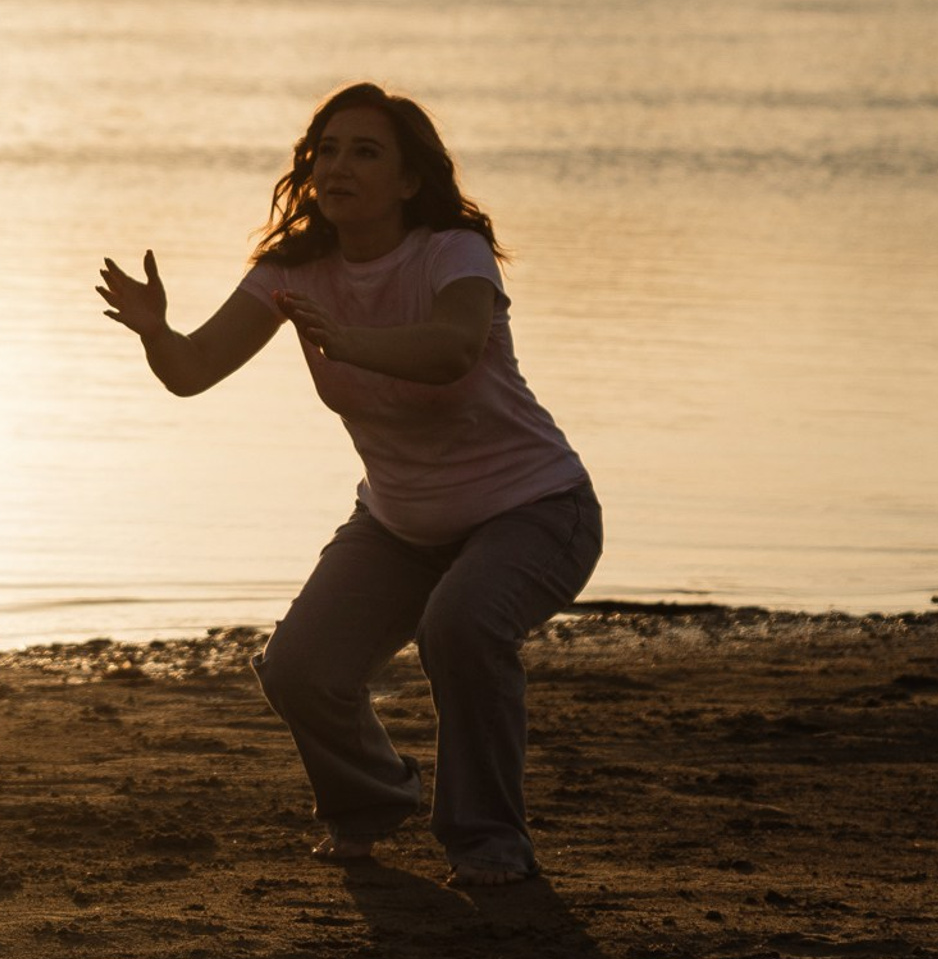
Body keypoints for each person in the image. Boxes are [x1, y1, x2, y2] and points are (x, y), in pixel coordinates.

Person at [95, 81, 600, 888]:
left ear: (407, 180)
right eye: (326, 150)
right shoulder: (291, 272)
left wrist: (354, 342)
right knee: (298, 667)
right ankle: (370, 798)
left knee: (461, 627)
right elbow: (191, 372)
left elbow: (452, 349)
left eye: (365, 151)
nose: (338, 165)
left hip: (535, 509)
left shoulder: (450, 251)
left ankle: (487, 839)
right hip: (400, 527)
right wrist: (158, 332)